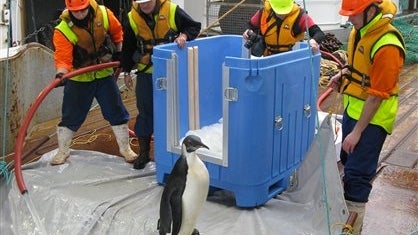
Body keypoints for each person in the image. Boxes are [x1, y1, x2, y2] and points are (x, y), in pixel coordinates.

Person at [328, 0, 405, 233]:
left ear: (372, 10)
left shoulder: (387, 45)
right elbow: (358, 66)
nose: (349, 19)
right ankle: (346, 217)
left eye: (354, 14)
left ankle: (353, 227)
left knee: (357, 174)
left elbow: (376, 96)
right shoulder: (360, 30)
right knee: (348, 161)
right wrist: (343, 73)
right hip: (353, 110)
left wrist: (357, 132)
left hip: (373, 119)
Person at [51, 0, 137, 165]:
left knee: (116, 111)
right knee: (71, 115)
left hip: (104, 74)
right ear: (69, 9)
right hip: (79, 78)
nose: (80, 14)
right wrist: (61, 74)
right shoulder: (62, 29)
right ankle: (63, 151)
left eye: (82, 10)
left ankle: (125, 149)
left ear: (88, 6)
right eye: (75, 11)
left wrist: (120, 53)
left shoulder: (104, 14)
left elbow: (117, 33)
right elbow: (62, 58)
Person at [120, 0, 201, 170]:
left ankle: (176, 155)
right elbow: (128, 46)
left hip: (172, 72)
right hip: (146, 74)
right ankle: (143, 153)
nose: (145, 5)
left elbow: (194, 26)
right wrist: (126, 71)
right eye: (142, 3)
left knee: (176, 114)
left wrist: (184, 36)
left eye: (148, 2)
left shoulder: (172, 10)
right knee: (145, 113)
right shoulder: (132, 18)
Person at [242, 0, 324, 56]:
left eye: (285, 11)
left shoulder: (300, 15)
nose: (282, 15)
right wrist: (248, 30)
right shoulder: (263, 13)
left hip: (291, 58)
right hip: (268, 58)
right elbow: (250, 25)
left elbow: (319, 33)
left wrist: (313, 41)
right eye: (279, 12)